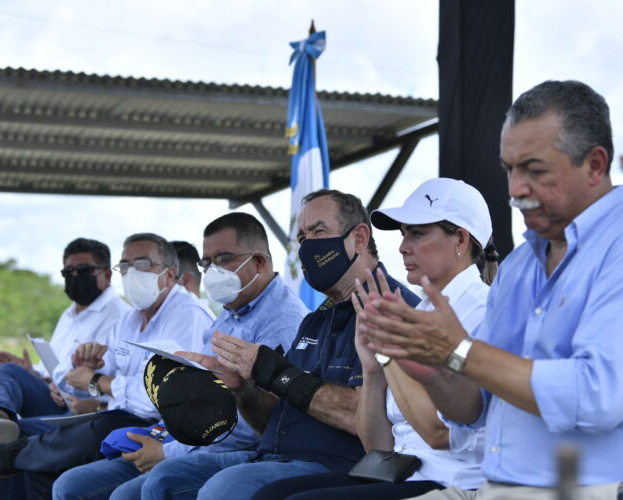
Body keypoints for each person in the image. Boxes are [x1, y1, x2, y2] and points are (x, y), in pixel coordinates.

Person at [359, 80, 623, 500]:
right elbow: (472, 411)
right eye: (510, 170)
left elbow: (594, 396)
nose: (515, 190)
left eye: (535, 170)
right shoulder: (519, 267)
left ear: (595, 165)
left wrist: (460, 351)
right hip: (498, 489)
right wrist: (434, 370)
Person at [139, 189, 419, 500]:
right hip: (271, 454)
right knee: (163, 480)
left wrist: (274, 372)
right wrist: (242, 389)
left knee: (223, 490)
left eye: (318, 231)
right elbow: (268, 423)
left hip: (335, 465)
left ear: (360, 237)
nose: (308, 245)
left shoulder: (394, 309)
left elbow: (362, 414)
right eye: (302, 237)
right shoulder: (316, 319)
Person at [253, 178, 499, 500]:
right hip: (400, 473)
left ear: (461, 240)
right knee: (267, 495)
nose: (402, 247)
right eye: (403, 234)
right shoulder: (416, 312)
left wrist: (390, 354)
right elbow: (378, 448)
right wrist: (373, 368)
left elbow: (441, 434)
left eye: (418, 233)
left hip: (451, 481)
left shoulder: (484, 314)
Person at [52, 213, 308, 500]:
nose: (212, 272)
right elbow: (201, 393)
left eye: (224, 260)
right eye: (207, 263)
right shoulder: (230, 314)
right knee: (69, 486)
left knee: (141, 489)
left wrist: (167, 449)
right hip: (186, 435)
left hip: (242, 447)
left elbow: (255, 425)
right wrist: (161, 434)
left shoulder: (282, 321)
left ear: (259, 262)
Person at [0, 233, 209, 498]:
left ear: (170, 274)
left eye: (142, 264)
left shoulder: (187, 316)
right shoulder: (131, 320)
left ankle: (20, 453)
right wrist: (86, 367)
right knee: (3, 446)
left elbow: (163, 397)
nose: (131, 274)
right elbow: (85, 384)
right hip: (110, 415)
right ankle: (8, 441)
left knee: (100, 429)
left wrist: (97, 381)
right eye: (125, 266)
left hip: (160, 428)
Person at [0, 237, 129, 500]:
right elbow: (53, 369)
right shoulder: (69, 314)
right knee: (6, 373)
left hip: (81, 410)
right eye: (68, 272)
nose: (74, 277)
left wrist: (86, 394)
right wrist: (32, 372)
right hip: (52, 397)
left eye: (83, 271)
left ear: (107, 274)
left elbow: (118, 382)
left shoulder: (120, 316)